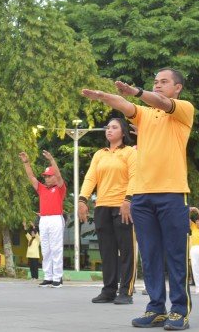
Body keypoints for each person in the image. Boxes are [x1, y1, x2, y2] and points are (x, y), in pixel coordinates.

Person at [82, 67, 195, 330]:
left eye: (164, 81)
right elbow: (125, 105)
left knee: (176, 255)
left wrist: (136, 91)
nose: (158, 85)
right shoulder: (144, 115)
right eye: (155, 82)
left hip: (172, 193)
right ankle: (155, 309)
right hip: (143, 196)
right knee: (150, 255)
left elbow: (161, 102)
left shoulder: (183, 109)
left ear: (177, 88)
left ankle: (179, 311)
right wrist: (104, 97)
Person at [78, 118, 137, 305]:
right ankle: (109, 290)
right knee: (107, 251)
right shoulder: (100, 154)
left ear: (123, 132)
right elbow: (90, 178)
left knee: (126, 251)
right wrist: (82, 199)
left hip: (123, 207)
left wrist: (128, 200)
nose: (109, 130)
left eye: (114, 127)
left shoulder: (130, 152)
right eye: (108, 128)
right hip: (102, 206)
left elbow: (135, 177)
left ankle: (126, 292)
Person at [19, 150, 66, 288]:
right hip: (44, 219)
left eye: (49, 176)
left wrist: (51, 160)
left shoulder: (60, 188)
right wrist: (26, 163)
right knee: (46, 249)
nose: (46, 178)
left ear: (55, 177)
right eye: (45, 176)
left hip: (56, 219)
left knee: (56, 248)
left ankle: (57, 278)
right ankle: (48, 277)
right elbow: (31, 177)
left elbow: (58, 175)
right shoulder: (42, 189)